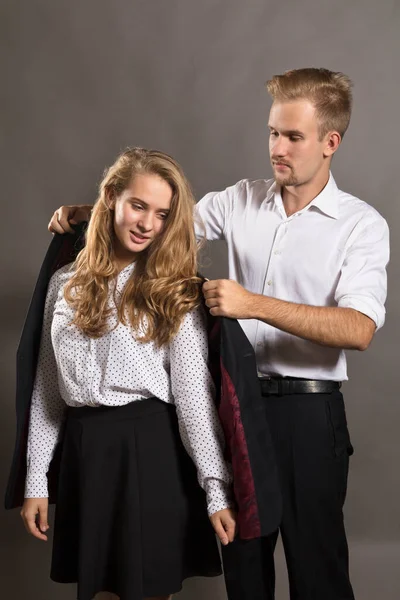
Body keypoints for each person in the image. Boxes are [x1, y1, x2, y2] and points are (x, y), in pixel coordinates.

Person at [46, 68, 390, 600]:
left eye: (293, 137)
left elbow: (359, 329)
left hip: (308, 416)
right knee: (245, 574)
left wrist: (253, 305)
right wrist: (89, 216)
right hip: (235, 407)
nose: (278, 147)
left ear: (330, 142)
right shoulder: (239, 199)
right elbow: (163, 226)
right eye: (273, 132)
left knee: (317, 569)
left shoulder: (360, 225)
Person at [15, 148, 237, 600]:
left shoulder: (172, 290)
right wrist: (36, 479)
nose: (147, 224)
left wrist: (216, 489)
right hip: (85, 452)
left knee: (146, 591)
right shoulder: (63, 283)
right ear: (111, 198)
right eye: (138, 206)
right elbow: (45, 389)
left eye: (162, 214)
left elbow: (193, 395)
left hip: (149, 450)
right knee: (102, 591)